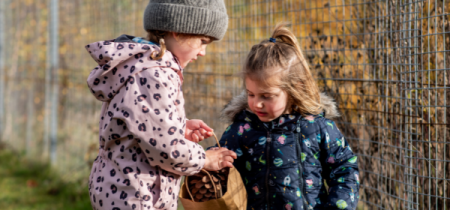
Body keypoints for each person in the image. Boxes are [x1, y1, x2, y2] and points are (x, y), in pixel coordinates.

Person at [85, 1, 236, 209]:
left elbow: (143, 126)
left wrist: (179, 126)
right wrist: (204, 159)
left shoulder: (142, 66)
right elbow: (167, 149)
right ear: (178, 30)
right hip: (137, 197)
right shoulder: (154, 74)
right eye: (202, 41)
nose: (203, 52)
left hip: (122, 190)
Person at [215, 23, 360, 210]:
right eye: (251, 94)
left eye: (267, 96)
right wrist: (213, 163)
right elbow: (222, 162)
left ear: (294, 89)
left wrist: (337, 206)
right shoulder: (243, 129)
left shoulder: (318, 128)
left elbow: (344, 168)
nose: (256, 103)